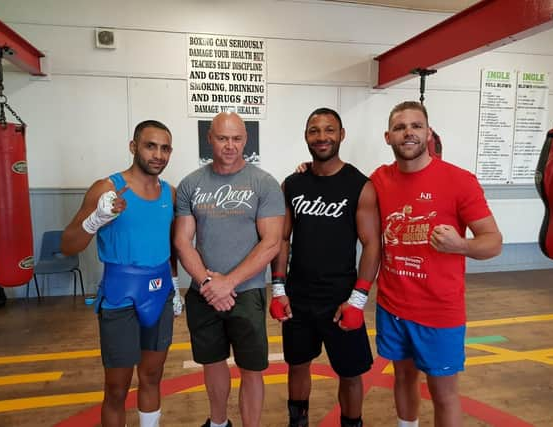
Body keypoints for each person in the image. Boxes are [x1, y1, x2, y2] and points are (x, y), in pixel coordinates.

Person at [371, 101, 503, 427]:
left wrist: (462, 245)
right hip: (392, 305)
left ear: (429, 133)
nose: (409, 133)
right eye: (400, 128)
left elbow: (493, 241)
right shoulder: (379, 179)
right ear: (388, 137)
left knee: (443, 393)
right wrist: (309, 169)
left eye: (416, 126)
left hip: (439, 312)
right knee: (402, 378)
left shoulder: (459, 181)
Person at [61, 120, 179, 427]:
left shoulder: (171, 193)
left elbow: (173, 244)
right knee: (116, 388)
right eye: (150, 145)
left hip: (160, 292)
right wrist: (97, 218)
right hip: (120, 296)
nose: (158, 154)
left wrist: (176, 284)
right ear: (133, 147)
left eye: (165, 148)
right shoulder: (107, 188)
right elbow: (68, 244)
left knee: (153, 376)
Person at [173, 112, 285, 427]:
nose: (230, 145)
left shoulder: (264, 183)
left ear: (245, 139)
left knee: (252, 368)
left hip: (246, 293)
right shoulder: (190, 184)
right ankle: (219, 423)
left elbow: (272, 243)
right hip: (203, 291)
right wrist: (209, 282)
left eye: (236, 138)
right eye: (223, 138)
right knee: (212, 363)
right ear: (209, 139)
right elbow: (183, 242)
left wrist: (229, 282)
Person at [271, 107, 381, 427]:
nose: (322, 137)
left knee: (350, 373)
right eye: (314, 131)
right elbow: (283, 238)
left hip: (340, 297)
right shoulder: (292, 184)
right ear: (306, 136)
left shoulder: (360, 185)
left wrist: (359, 298)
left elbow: (372, 243)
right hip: (299, 295)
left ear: (341, 135)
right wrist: (278, 288)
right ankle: (298, 423)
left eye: (329, 130)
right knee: (298, 364)